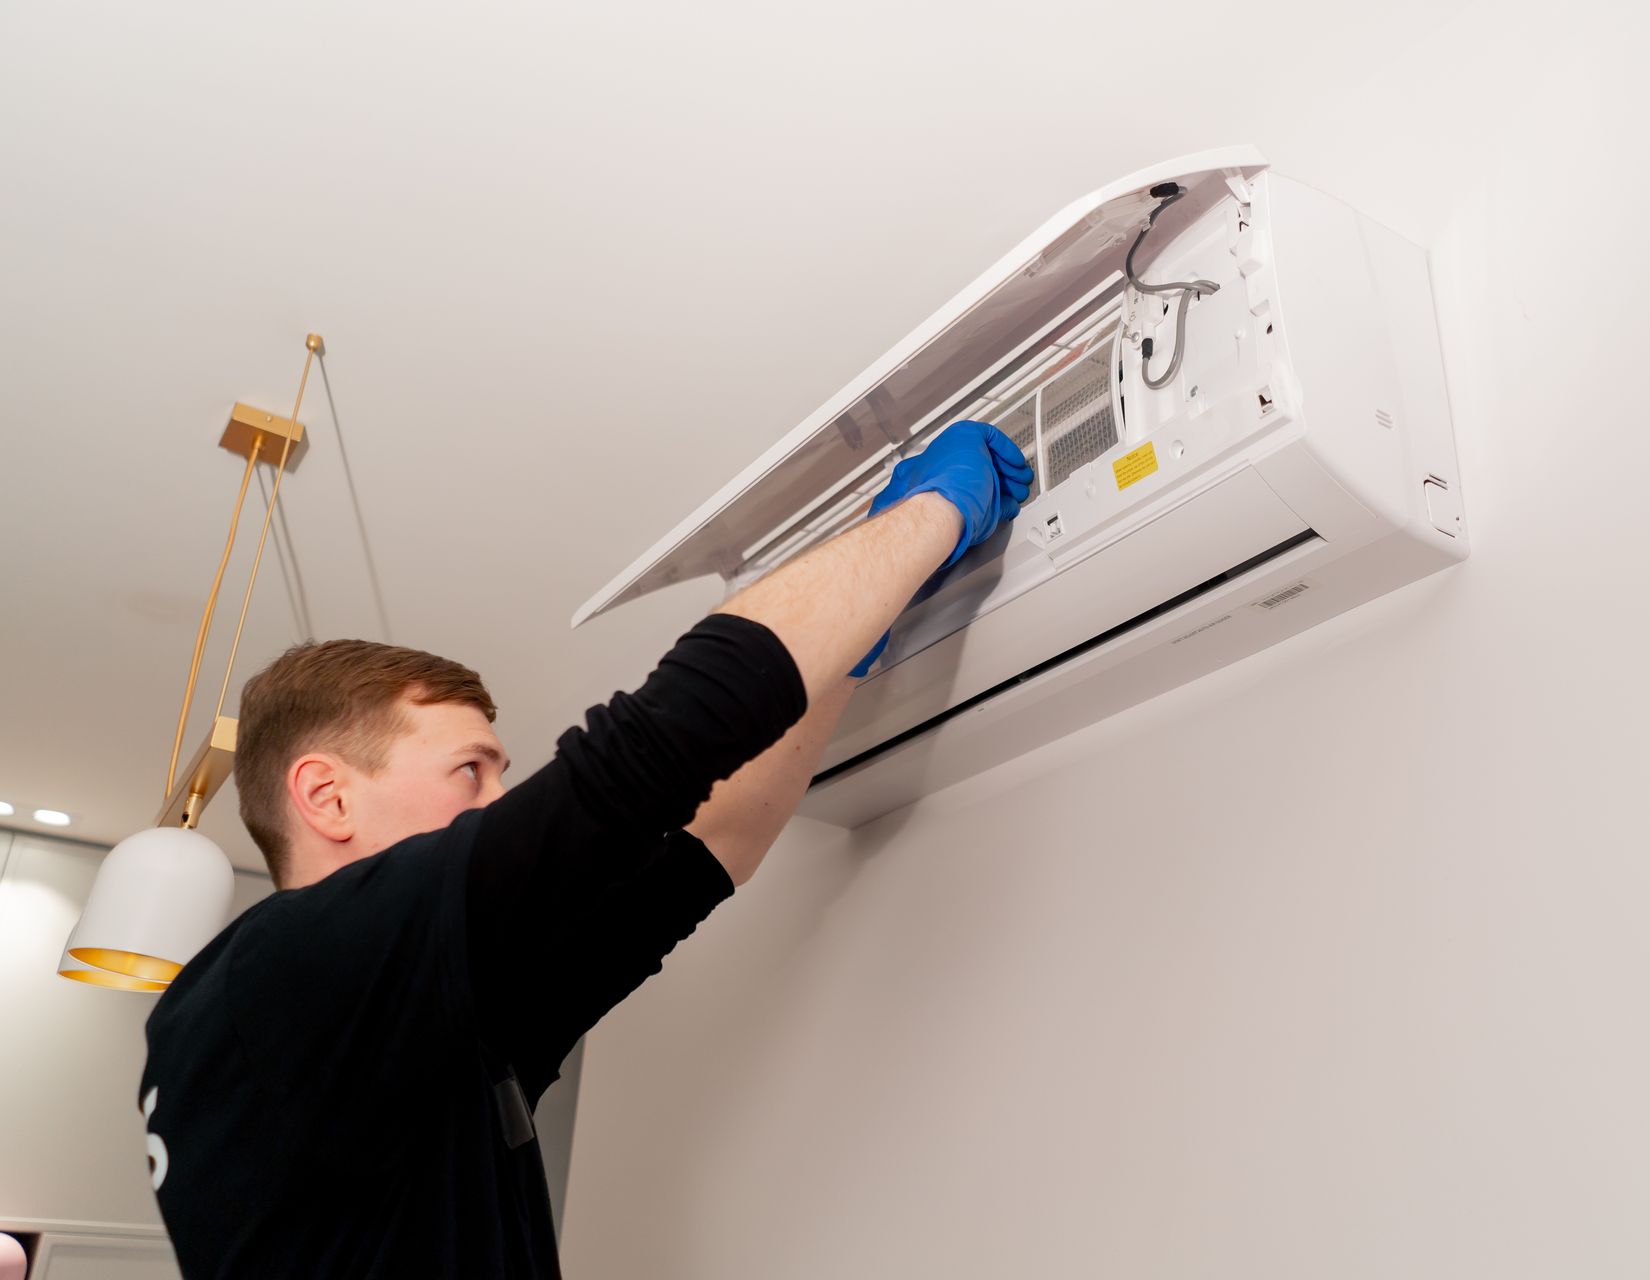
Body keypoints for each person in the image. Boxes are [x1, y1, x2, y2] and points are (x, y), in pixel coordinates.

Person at [139, 421, 1034, 1278]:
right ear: (327, 796)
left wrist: (857, 638)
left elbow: (706, 848)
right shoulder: (274, 976)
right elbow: (648, 754)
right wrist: (930, 513)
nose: (496, 804)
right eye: (469, 771)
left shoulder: (408, 1030)